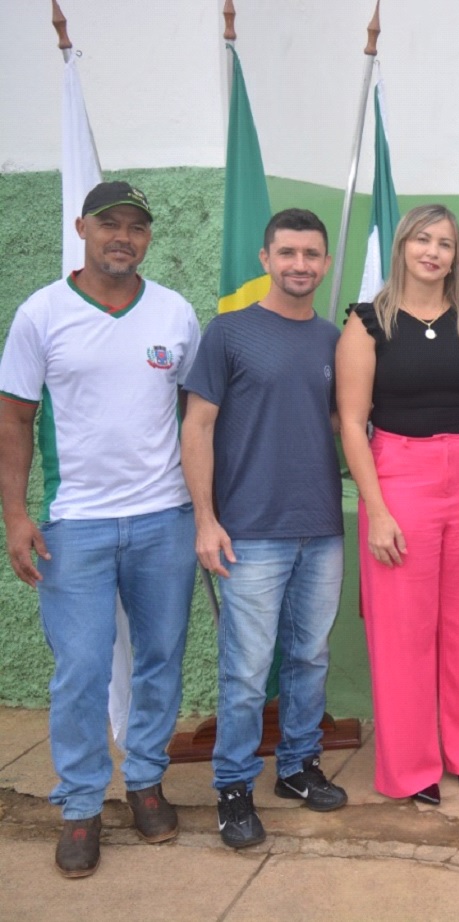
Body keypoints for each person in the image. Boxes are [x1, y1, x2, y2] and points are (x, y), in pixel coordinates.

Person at [0, 181, 200, 877]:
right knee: (81, 669)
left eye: (136, 226)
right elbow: (14, 418)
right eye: (110, 223)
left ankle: (144, 781)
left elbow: (197, 417)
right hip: (75, 525)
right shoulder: (42, 313)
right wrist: (16, 515)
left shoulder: (174, 312)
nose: (123, 236)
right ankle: (82, 805)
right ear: (82, 227)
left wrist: (205, 509)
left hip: (164, 518)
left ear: (148, 237)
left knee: (160, 658)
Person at [181, 208, 348, 849]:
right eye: (287, 253)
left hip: (321, 527)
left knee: (309, 656)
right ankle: (233, 787)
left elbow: (338, 423)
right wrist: (205, 519)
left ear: (325, 263)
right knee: (248, 669)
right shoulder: (228, 332)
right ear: (265, 259)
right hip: (249, 530)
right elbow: (197, 426)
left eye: (311, 254)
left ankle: (298, 767)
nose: (299, 265)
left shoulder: (334, 339)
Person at [338, 204, 459, 806]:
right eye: (423, 240)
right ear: (403, 246)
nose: (433, 252)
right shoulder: (366, 324)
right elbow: (352, 424)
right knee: (403, 631)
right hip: (399, 479)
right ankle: (411, 767)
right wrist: (376, 510)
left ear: (456, 257)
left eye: (445, 244)